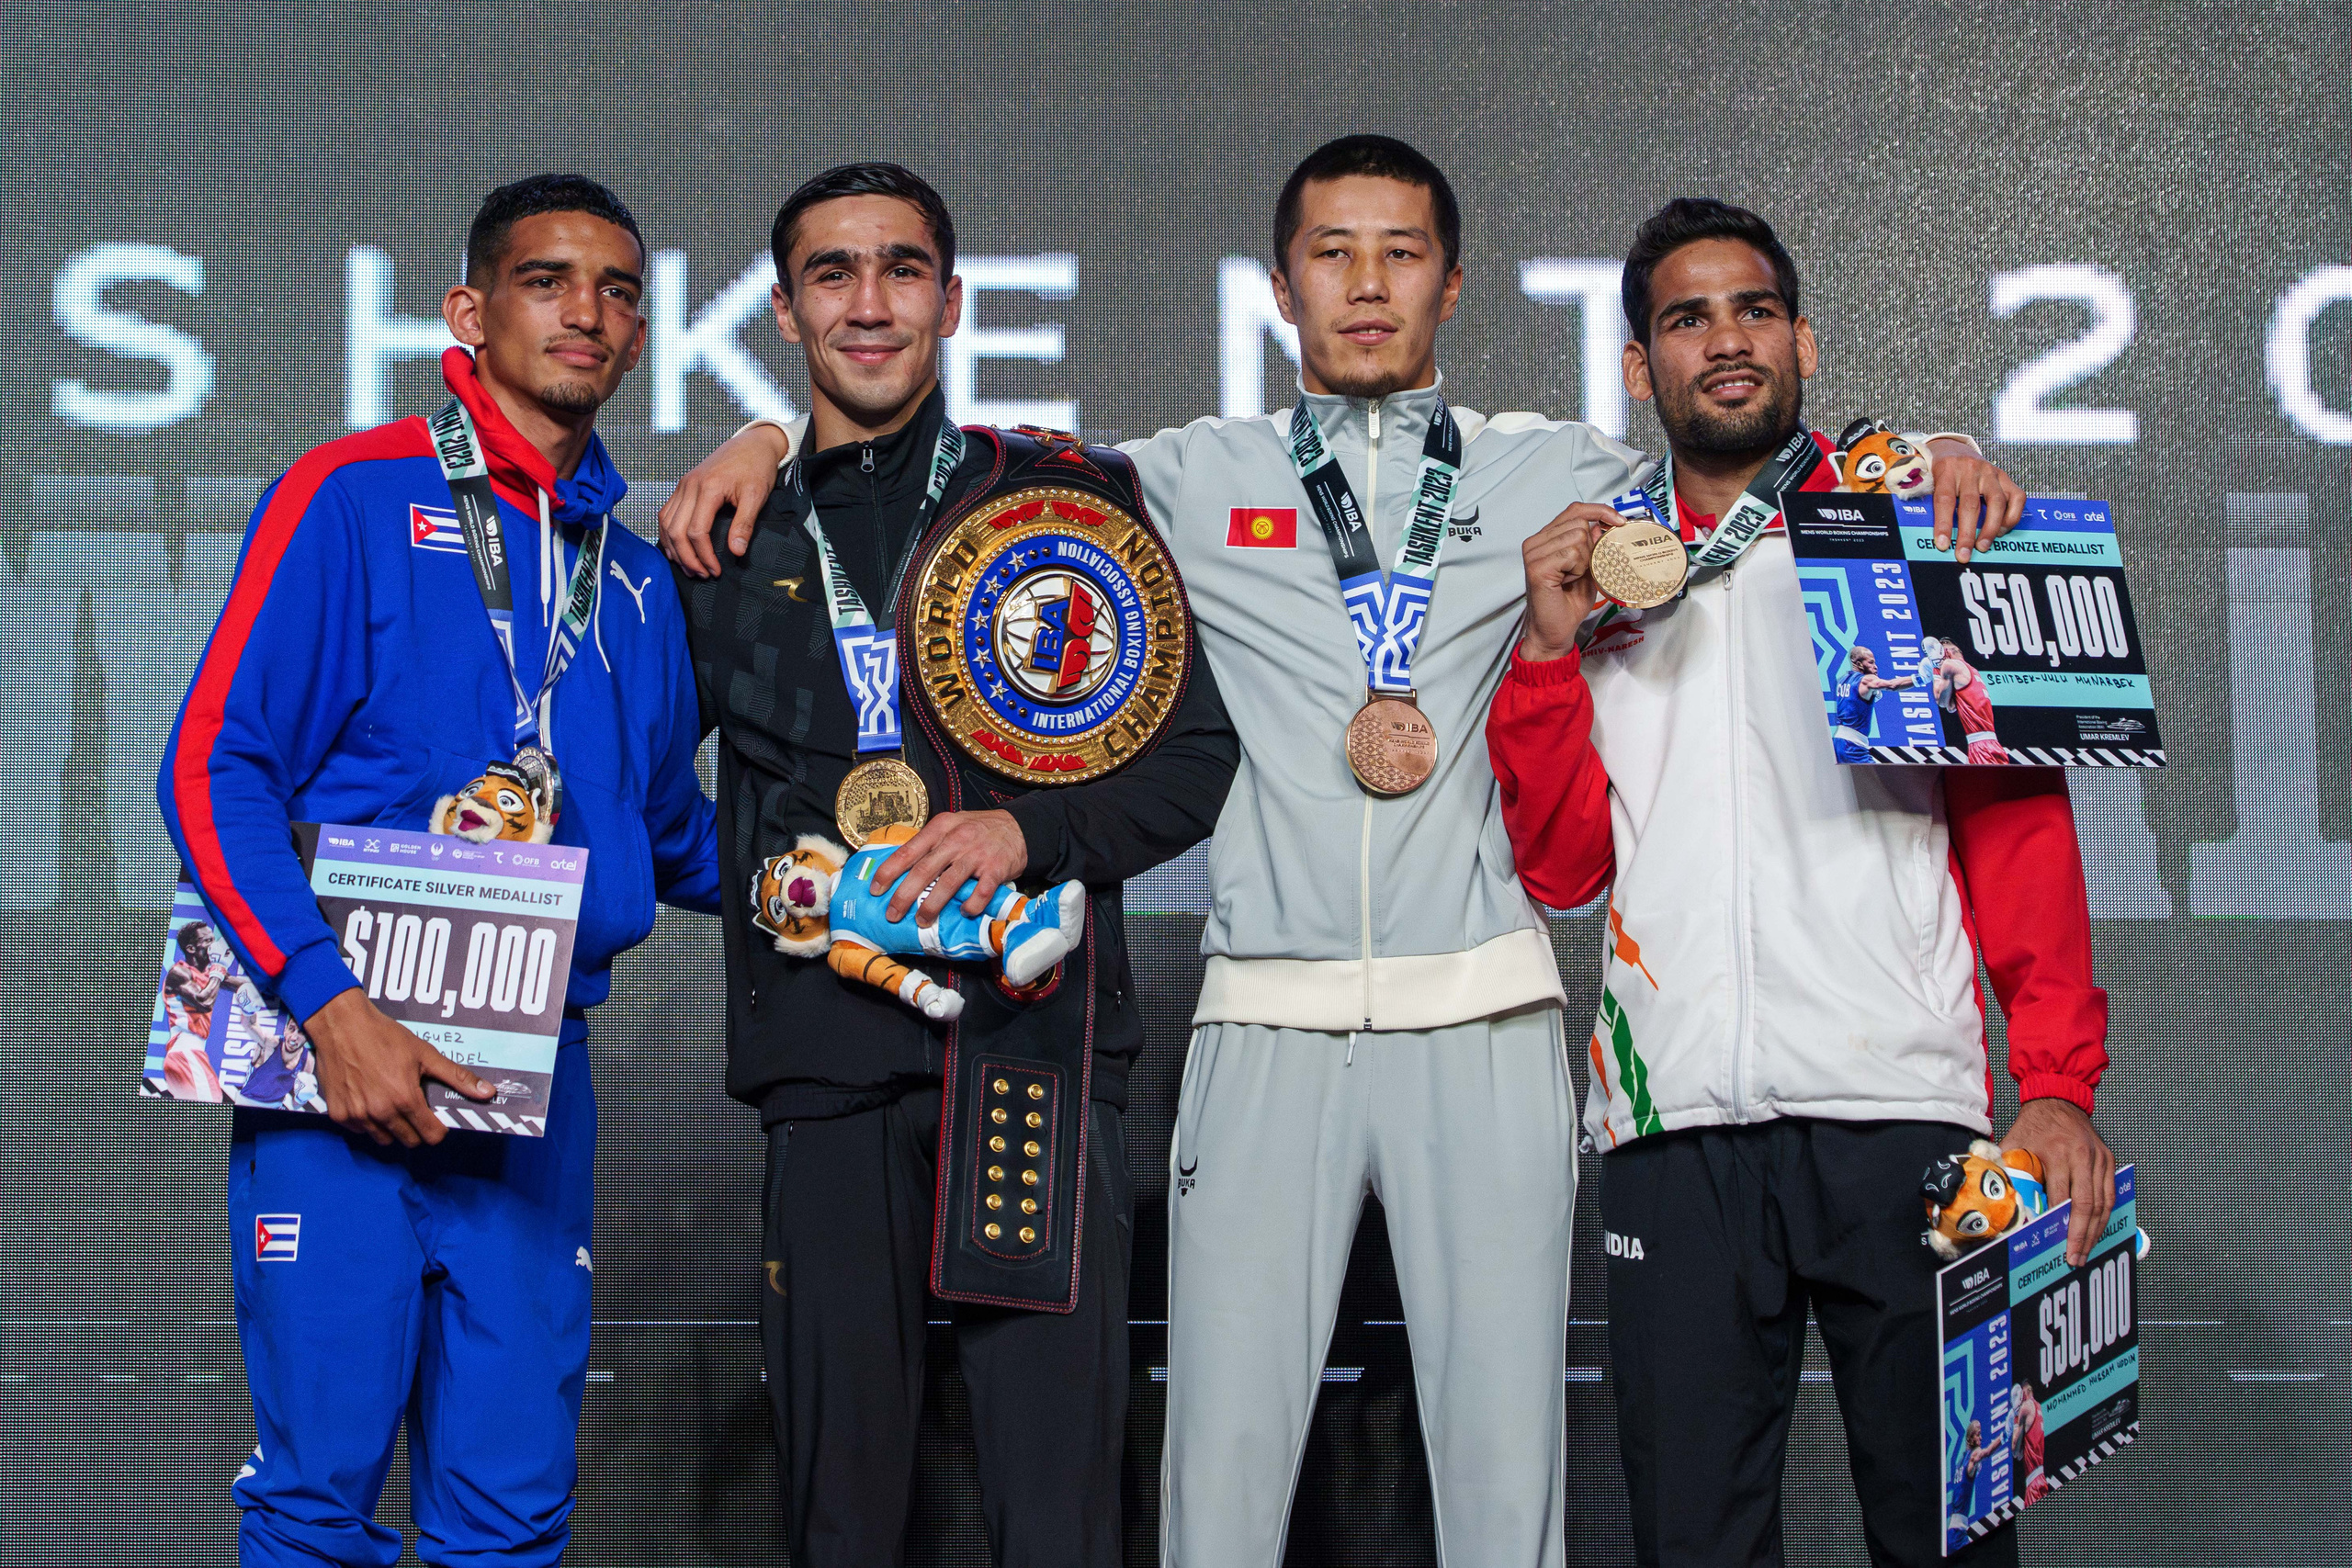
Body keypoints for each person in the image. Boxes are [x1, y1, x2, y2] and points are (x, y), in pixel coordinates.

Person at [662, 142, 2024, 1565]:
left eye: (1401, 251)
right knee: (1219, 1496)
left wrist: (1933, 453)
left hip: (1487, 1018)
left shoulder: (1562, 471)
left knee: (1509, 1497)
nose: (1367, 283)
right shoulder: (1180, 477)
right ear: (1280, 286)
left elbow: (1750, 452)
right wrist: (763, 438)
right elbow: (931, 472)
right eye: (1332, 252)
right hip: (1267, 1020)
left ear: (1450, 281)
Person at [1487, 197, 2112, 1568]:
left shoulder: (1909, 520)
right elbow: (1564, 866)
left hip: (1908, 1109)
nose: (1728, 339)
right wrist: (1542, 655)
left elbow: (2015, 830)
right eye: (1687, 316)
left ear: (1805, 339)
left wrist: (2056, 1082)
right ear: (1641, 367)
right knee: (1696, 1538)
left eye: (1754, 308)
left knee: (1950, 1534)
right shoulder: (1593, 571)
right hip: (1671, 1128)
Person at [665, 163, 1237, 1566]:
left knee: (1057, 1511)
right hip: (824, 1059)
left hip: (1027, 1049)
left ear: (951, 297)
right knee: (842, 1516)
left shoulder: (1063, 502)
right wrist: (775, 898)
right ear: (785, 310)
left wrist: (1025, 831)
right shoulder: (724, 533)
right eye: (832, 274)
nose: (870, 303)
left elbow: (1192, 761)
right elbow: (626, 794)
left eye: (901, 270)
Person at [156, 174, 718, 1567]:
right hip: (343, 1058)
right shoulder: (348, 493)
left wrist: (851, 882)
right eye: (548, 279)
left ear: (641, 334)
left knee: (513, 1510)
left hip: (537, 1079)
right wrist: (328, 1005)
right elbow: (211, 768)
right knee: (313, 1505)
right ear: (471, 310)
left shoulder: (636, 580)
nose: (588, 311)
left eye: (621, 290)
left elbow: (676, 836)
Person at [1923, 634, 2015, 763]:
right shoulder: (1972, 670)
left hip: (1982, 747)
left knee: (1986, 783)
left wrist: (1936, 670)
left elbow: (1942, 702)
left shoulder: (1949, 665)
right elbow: (1952, 706)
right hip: (1987, 744)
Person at [1832, 644, 1917, 762]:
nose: (1875, 667)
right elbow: (1893, 685)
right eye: (1871, 663)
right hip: (1853, 746)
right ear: (1859, 664)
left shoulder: (1842, 679)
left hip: (1839, 741)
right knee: (1878, 780)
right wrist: (1919, 678)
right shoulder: (1866, 680)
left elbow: (1853, 703)